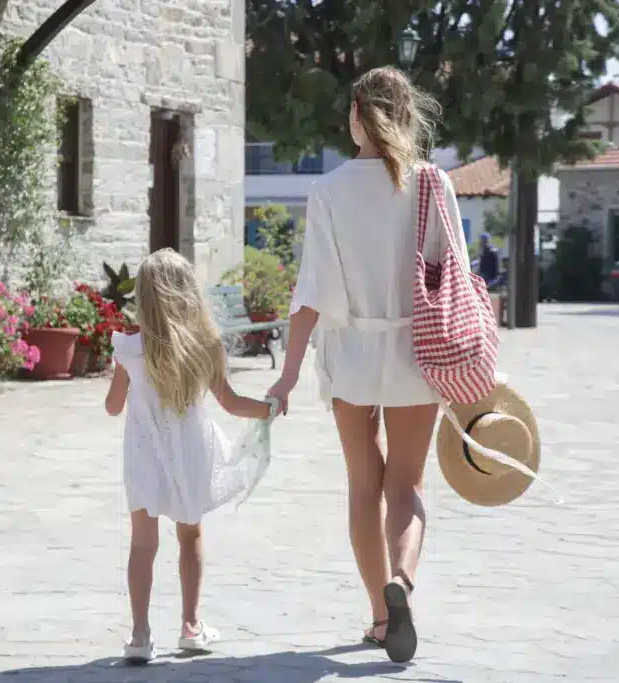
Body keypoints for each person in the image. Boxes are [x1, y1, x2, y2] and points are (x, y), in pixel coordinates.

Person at [265, 66, 467, 664]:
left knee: (363, 485)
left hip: (350, 354)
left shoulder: (328, 190)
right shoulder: (433, 183)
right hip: (417, 352)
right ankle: (402, 580)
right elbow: (456, 278)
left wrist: (288, 373)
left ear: (357, 115)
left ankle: (381, 617)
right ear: (407, 116)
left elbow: (311, 293)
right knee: (406, 485)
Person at [105, 248, 275, 664]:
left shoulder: (129, 348)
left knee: (142, 544)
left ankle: (140, 635)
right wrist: (269, 409)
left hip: (143, 453)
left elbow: (112, 407)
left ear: (143, 298)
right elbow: (230, 402)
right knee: (190, 534)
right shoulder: (206, 345)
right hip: (191, 452)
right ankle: (191, 626)